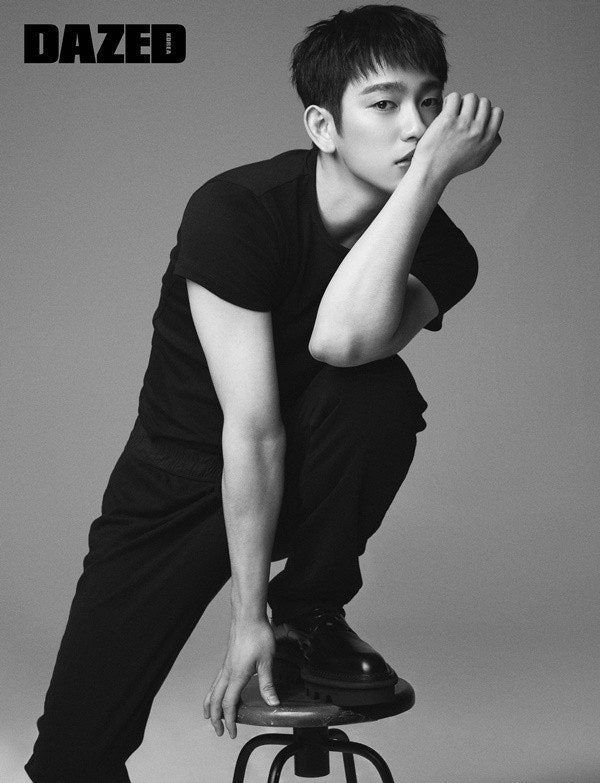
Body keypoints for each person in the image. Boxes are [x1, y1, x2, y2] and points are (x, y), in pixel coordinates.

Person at [25, 5, 503, 781]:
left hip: (309, 472)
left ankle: (308, 610)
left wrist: (425, 184)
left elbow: (341, 342)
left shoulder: (446, 253)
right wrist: (244, 616)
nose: (416, 127)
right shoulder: (238, 212)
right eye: (384, 104)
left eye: (430, 102)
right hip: (180, 479)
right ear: (323, 126)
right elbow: (251, 429)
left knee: (375, 391)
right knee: (72, 758)